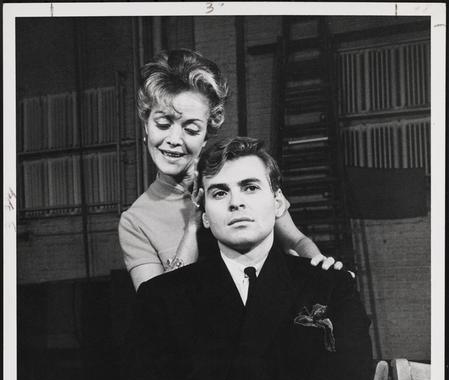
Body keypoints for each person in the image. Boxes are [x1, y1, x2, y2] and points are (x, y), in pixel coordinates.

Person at [125, 137, 373, 380]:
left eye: (250, 187)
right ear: (205, 215)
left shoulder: (331, 287)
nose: (236, 202)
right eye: (220, 192)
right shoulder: (161, 298)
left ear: (277, 203)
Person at [118, 49, 343, 291]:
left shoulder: (246, 176)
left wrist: (321, 268)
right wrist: (192, 227)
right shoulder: (136, 221)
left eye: (191, 130)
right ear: (146, 126)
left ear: (207, 133)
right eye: (162, 124)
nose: (174, 139)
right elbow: (155, 303)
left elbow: (296, 241)